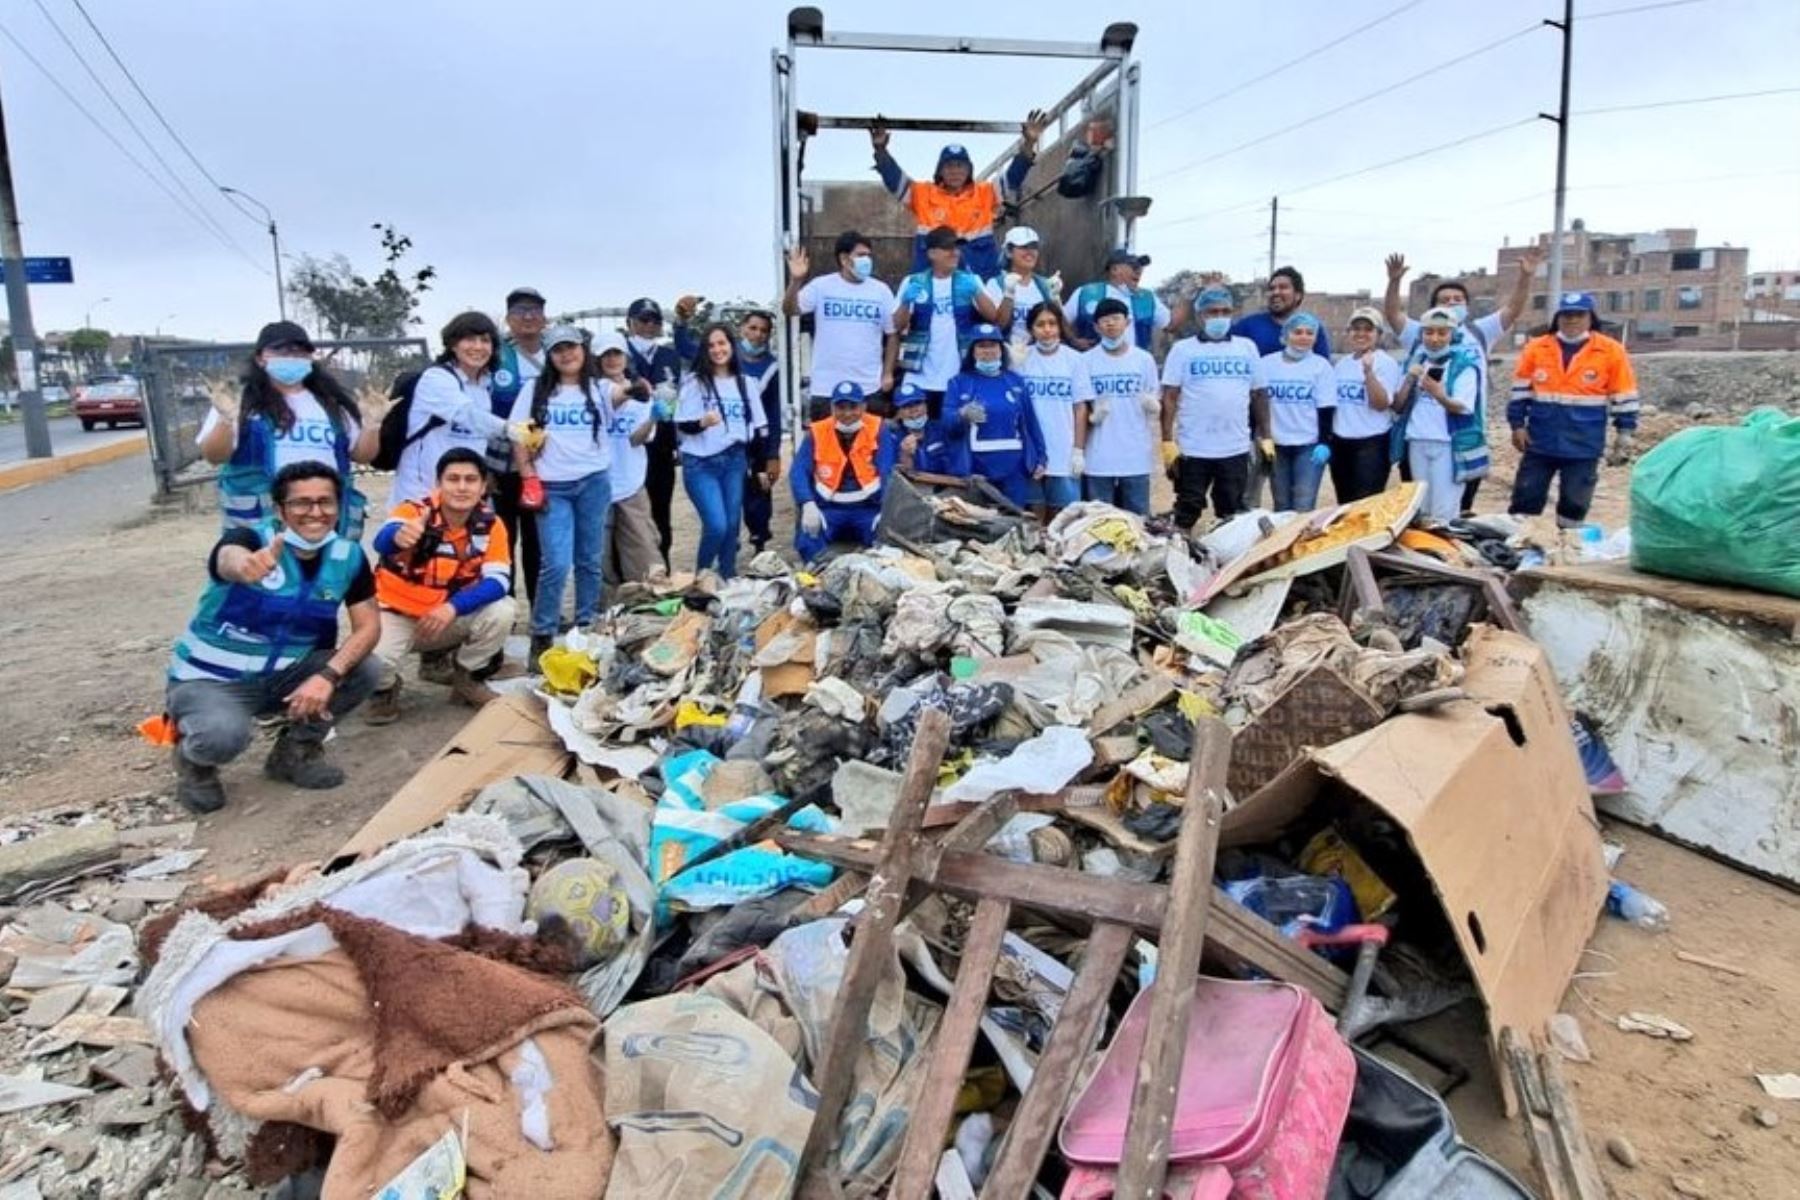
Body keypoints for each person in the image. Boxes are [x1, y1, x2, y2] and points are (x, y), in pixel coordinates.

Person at [165, 462, 380, 814]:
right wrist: (243, 565)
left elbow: (369, 626)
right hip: (211, 680)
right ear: (280, 510)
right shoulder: (250, 540)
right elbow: (227, 558)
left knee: (366, 669)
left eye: (325, 502)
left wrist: (327, 676)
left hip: (284, 675)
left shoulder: (348, 556)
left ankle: (293, 753)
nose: (315, 513)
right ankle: (194, 761)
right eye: (302, 503)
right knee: (223, 738)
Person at [1385, 247, 1541, 512]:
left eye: (1458, 299)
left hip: (1463, 432)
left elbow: (1513, 309)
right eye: (1445, 300)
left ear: (1467, 306)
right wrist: (1394, 281)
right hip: (1420, 433)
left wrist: (1525, 277)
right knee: (1417, 505)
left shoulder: (1480, 331)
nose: (1452, 303)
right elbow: (1393, 314)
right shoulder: (1421, 333)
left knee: (1457, 505)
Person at [366, 448, 512, 723]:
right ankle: (385, 690)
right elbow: (382, 540)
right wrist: (399, 537)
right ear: (439, 484)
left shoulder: (492, 525)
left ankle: (467, 677)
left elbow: (499, 581)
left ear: (483, 487)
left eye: (470, 480)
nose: (461, 487)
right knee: (374, 663)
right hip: (397, 615)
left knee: (503, 610)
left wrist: (451, 608)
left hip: (446, 617)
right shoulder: (414, 512)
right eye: (452, 479)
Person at [199, 320, 377, 538]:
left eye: (300, 351)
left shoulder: (332, 404)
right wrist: (225, 420)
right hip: (261, 527)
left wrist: (372, 425)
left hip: (323, 522)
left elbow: (362, 454)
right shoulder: (238, 403)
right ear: (260, 358)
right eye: (280, 350)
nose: (291, 356)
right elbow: (214, 456)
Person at [517, 325, 615, 660]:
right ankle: (542, 633)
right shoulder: (535, 390)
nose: (566, 354)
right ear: (549, 355)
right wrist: (528, 474)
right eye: (558, 349)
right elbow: (521, 435)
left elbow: (623, 394)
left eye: (571, 347)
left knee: (589, 560)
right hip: (552, 486)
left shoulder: (600, 388)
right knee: (556, 563)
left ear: (583, 350)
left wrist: (637, 392)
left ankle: (586, 627)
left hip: (593, 481)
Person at [1507, 291, 1640, 527]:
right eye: (1566, 315)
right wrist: (1517, 425)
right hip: (1540, 440)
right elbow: (1520, 392)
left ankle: (1566, 545)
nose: (1572, 320)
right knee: (1526, 498)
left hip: (1583, 442)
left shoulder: (1610, 351)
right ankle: (1519, 544)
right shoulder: (1537, 348)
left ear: (1590, 317)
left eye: (1579, 315)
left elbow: (1624, 393)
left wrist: (1625, 434)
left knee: (1575, 504)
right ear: (1558, 317)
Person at [870, 110, 1048, 278]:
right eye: (949, 166)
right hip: (934, 281)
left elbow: (1013, 177)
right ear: (940, 171)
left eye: (960, 166)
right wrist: (881, 151)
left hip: (979, 281)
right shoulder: (923, 193)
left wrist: (1029, 143)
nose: (955, 171)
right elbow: (894, 179)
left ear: (969, 170)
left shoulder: (985, 193)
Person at [671, 299, 785, 552]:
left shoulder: (770, 366)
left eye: (764, 330)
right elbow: (684, 346)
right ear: (742, 329)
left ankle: (759, 546)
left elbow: (772, 413)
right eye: (753, 328)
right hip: (719, 442)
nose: (757, 334)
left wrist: (772, 453)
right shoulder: (719, 354)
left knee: (758, 495)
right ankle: (727, 548)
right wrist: (681, 322)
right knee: (724, 503)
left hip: (752, 441)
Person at [1160, 286, 1270, 530]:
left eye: (1225, 311)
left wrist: (1266, 436)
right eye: (1212, 312)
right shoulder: (1183, 350)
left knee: (1231, 511)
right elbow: (1169, 397)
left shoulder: (1247, 348)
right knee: (1188, 507)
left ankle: (1226, 562)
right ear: (1200, 316)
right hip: (1194, 448)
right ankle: (1181, 555)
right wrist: (1167, 441)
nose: (1219, 317)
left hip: (1234, 447)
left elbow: (1260, 394)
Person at [394, 311, 522, 506]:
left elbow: (478, 438)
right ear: (453, 344)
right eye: (469, 339)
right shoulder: (436, 378)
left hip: (464, 498)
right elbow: (466, 414)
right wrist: (511, 429)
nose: (478, 347)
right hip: (421, 497)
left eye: (485, 340)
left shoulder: (484, 385)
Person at [678, 323, 767, 579]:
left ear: (732, 345)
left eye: (722, 343)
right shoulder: (695, 382)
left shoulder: (745, 383)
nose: (717, 350)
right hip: (701, 463)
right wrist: (702, 422)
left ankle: (727, 578)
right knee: (716, 525)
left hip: (734, 460)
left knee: (731, 526)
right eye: (711, 345)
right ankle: (703, 577)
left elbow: (760, 427)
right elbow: (682, 424)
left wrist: (760, 465)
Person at [783, 232, 898, 421]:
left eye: (869, 255)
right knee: (826, 448)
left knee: (868, 448)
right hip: (826, 389)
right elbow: (790, 309)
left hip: (868, 388)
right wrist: (796, 281)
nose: (867, 260)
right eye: (861, 255)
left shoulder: (881, 290)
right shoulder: (821, 286)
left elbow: (892, 334)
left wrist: (887, 374)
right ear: (844, 259)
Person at [896, 225, 1001, 419]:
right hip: (920, 375)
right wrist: (905, 301)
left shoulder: (971, 280)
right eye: (948, 248)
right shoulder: (913, 281)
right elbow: (897, 326)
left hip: (958, 373)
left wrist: (976, 291)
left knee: (955, 431)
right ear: (932, 253)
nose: (955, 253)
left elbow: (994, 317)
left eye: (957, 248)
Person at [487, 286, 548, 606]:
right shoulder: (496, 358)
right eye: (520, 311)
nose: (528, 317)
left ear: (545, 318)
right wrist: (485, 468)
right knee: (503, 538)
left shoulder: (557, 356)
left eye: (535, 311)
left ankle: (541, 610)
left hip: (545, 464)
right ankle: (504, 609)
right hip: (502, 465)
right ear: (509, 319)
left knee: (539, 541)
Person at [790, 381, 898, 561]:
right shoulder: (817, 431)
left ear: (863, 406)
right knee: (807, 540)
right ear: (832, 407)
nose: (847, 414)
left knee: (890, 544)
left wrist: (887, 509)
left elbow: (886, 470)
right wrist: (807, 503)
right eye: (841, 407)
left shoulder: (878, 428)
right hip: (829, 507)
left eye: (853, 407)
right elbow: (798, 471)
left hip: (868, 507)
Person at [1393, 307, 1481, 526]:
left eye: (1442, 333)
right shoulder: (1416, 362)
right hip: (1417, 440)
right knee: (1421, 507)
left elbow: (1463, 407)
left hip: (1448, 443)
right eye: (1429, 332)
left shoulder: (1463, 366)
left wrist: (1440, 395)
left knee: (1444, 509)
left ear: (1452, 335)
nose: (1435, 339)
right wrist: (1410, 379)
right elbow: (1398, 405)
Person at [942, 323, 1046, 506]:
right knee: (979, 525)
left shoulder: (1015, 382)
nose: (987, 351)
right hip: (976, 469)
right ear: (972, 351)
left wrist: (1041, 457)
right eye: (981, 346)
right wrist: (962, 414)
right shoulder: (958, 383)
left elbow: (1030, 423)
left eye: (993, 345)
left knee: (1013, 521)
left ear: (1001, 349)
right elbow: (947, 424)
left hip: (1014, 468)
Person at [1080, 298, 1161, 515]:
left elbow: (1155, 397)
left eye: (1116, 318)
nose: (1110, 324)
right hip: (1098, 456)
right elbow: (1080, 406)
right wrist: (1093, 415)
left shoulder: (1144, 360)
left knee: (1138, 519)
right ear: (1096, 327)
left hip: (1135, 455)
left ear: (1127, 322)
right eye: (1104, 320)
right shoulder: (1085, 361)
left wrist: (1152, 405)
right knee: (1099, 519)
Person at [1015, 302, 1093, 518]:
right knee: (1032, 512)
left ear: (1060, 326)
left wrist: (1078, 450)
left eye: (1052, 323)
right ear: (1031, 329)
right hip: (1029, 451)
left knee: (1065, 515)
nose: (1047, 329)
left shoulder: (1074, 359)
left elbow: (1080, 408)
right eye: (1040, 324)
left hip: (1063, 450)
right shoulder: (1021, 358)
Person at [598, 332, 663, 588]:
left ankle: (643, 603)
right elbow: (615, 395)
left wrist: (653, 417)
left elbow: (636, 439)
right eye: (605, 355)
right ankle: (601, 610)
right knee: (599, 558)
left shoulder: (642, 398)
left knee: (643, 552)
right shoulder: (595, 390)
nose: (612, 359)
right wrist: (636, 390)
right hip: (597, 484)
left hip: (630, 483)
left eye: (617, 353)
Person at [624, 298, 684, 571]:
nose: (649, 326)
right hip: (627, 445)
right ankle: (630, 578)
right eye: (643, 320)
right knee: (627, 515)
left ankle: (664, 570)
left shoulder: (669, 356)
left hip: (661, 445)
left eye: (654, 321)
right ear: (630, 323)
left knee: (661, 512)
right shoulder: (618, 354)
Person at [1260, 313, 1339, 513]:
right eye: (1298, 332)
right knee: (1281, 503)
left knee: (1304, 503)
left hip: (1308, 445)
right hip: (1276, 444)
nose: (1304, 337)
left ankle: (1300, 544)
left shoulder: (1321, 366)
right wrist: (1261, 436)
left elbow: (1326, 408)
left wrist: (1324, 442)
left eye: (1310, 333)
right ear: (1286, 334)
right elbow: (1258, 403)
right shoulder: (1267, 364)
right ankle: (1282, 544)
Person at [1329, 308, 1402, 503]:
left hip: (1371, 444)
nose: (1361, 334)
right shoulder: (1341, 364)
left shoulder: (1386, 363)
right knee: (1344, 503)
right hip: (1341, 443)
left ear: (1378, 334)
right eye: (1356, 328)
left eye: (1368, 329)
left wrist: (1368, 373)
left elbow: (1381, 404)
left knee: (1366, 504)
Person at [1065, 249, 1170, 352]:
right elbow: (1060, 320)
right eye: (1134, 266)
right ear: (1114, 269)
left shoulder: (1147, 298)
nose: (1139, 271)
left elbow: (1170, 324)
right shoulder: (1086, 293)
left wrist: (1185, 298)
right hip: (1093, 365)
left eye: (1141, 267)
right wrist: (1073, 340)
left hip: (1134, 366)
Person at [985, 226, 1062, 359]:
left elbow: (1059, 325)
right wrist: (1008, 294)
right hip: (1008, 355)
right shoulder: (996, 284)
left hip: (1040, 354)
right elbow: (998, 325)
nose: (1030, 252)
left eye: (1033, 247)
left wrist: (1056, 300)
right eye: (1023, 247)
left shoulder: (1044, 284)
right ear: (1009, 252)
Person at [1230, 267, 1332, 358]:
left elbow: (1323, 366)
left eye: (1283, 287)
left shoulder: (1311, 328)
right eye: (1271, 289)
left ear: (1298, 295)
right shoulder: (1248, 326)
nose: (1276, 292)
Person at [887, 381, 965, 476]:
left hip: (947, 486)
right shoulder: (892, 438)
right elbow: (899, 478)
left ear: (926, 405)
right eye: (906, 406)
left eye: (918, 403)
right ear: (898, 412)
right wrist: (905, 455)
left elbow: (957, 463)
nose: (914, 410)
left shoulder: (941, 428)